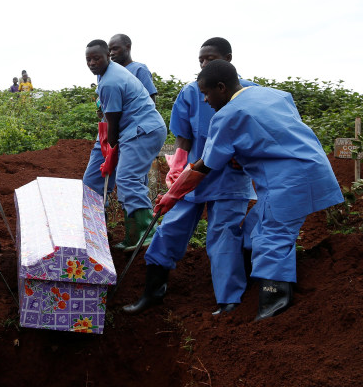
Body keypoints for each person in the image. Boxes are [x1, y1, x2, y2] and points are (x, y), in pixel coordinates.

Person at [150, 60, 343, 321]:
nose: (205, 100)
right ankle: (253, 286)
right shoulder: (275, 94)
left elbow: (205, 166)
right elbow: (278, 130)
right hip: (312, 166)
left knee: (271, 237)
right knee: (252, 230)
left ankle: (272, 309)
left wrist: (172, 195)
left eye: (207, 93)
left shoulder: (226, 116)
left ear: (221, 87)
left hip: (287, 181)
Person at [124, 37, 258, 316]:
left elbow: (257, 135)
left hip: (230, 179)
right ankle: (153, 291)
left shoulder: (250, 93)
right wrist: (176, 172)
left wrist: (244, 158)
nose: (205, 64)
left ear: (228, 58)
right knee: (170, 227)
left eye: (211, 59)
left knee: (223, 236)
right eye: (201, 60)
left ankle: (229, 299)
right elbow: (183, 140)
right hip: (192, 177)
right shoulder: (190, 92)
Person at [82, 40, 167, 252]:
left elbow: (114, 120)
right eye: (88, 59)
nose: (92, 63)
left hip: (141, 130)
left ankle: (148, 233)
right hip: (120, 130)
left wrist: (111, 149)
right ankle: (98, 232)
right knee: (92, 180)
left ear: (107, 56)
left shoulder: (111, 80)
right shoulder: (104, 74)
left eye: (97, 58)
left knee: (127, 177)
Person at [108, 34, 157, 102]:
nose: (111, 53)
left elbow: (150, 100)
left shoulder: (139, 69)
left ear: (128, 47)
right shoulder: (109, 72)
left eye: (115, 49)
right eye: (109, 50)